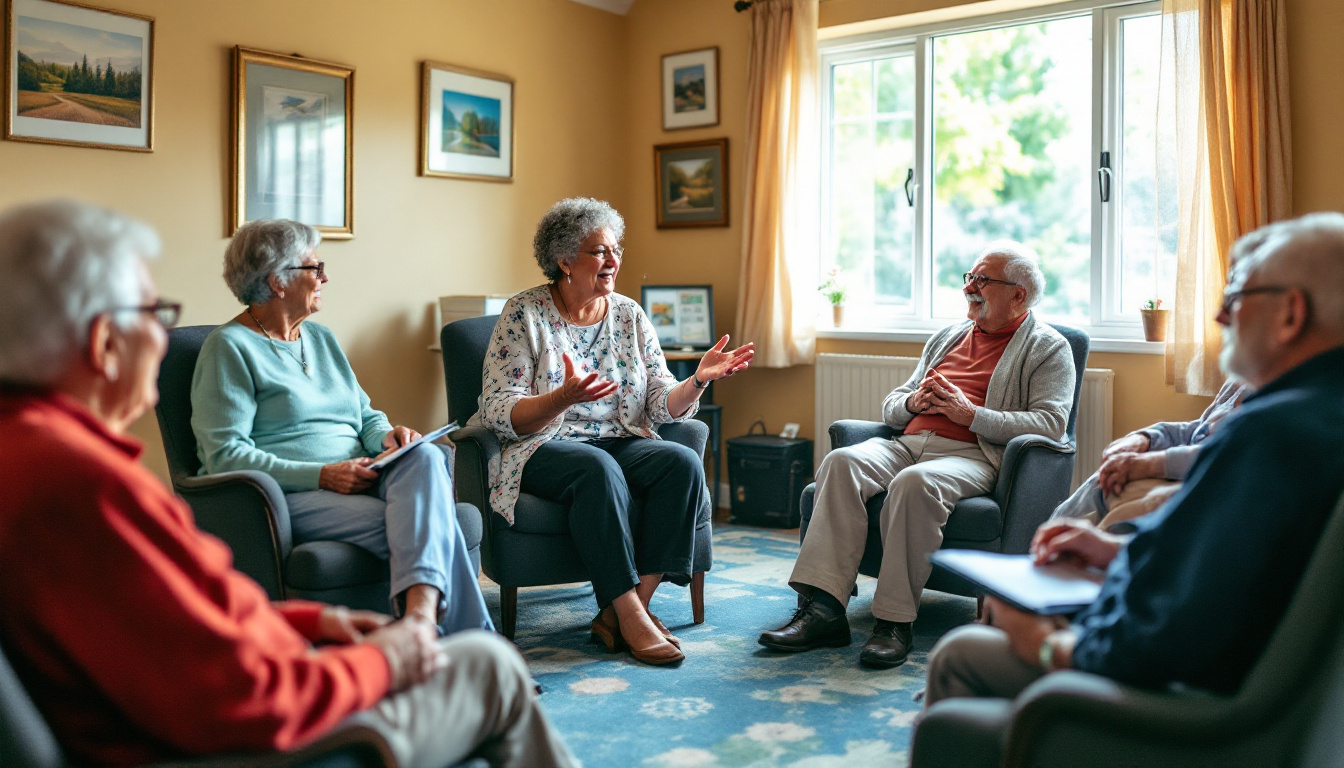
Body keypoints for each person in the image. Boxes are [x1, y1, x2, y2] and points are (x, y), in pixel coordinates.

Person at [0, 200, 576, 768]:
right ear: (105, 343)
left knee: (424, 462)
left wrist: (315, 620)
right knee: (486, 661)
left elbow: (186, 621)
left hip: (258, 665)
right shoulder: (89, 485)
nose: (161, 337)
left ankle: (425, 627)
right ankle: (441, 633)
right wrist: (382, 663)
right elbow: (249, 696)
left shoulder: (38, 457)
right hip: (253, 715)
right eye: (155, 315)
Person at [923, 213, 1344, 715]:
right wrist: (1115, 554)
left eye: (1235, 297)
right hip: (1232, 674)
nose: (1220, 318)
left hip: (1179, 707)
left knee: (958, 652)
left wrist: (1041, 640)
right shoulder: (1314, 412)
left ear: (1291, 314)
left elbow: (1148, 644)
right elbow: (1225, 567)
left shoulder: (1270, 436)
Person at [760, 241, 1075, 669]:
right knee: (841, 462)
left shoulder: (1048, 348)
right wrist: (913, 405)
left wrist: (972, 414)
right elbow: (893, 403)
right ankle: (824, 611)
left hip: (971, 454)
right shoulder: (947, 337)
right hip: (908, 444)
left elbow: (1050, 424)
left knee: (914, 484)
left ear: (1019, 294)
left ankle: (893, 622)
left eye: (983, 279)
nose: (970, 287)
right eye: (970, 277)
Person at [474, 197, 753, 666]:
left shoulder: (628, 315)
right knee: (597, 469)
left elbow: (661, 403)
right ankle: (631, 614)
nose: (614, 260)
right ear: (564, 260)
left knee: (680, 462)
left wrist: (697, 380)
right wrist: (559, 398)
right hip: (544, 445)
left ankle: (627, 611)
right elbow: (499, 409)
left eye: (616, 249)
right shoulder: (524, 314)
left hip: (621, 437)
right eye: (599, 251)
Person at [191, 218, 491, 634]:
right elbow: (224, 455)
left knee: (424, 454)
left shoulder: (321, 339)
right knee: (428, 524)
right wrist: (322, 475)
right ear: (278, 281)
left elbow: (363, 414)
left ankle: (420, 627)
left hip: (365, 471)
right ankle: (459, 645)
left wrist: (388, 436)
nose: (324, 277)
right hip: (291, 493)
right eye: (315, 268)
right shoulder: (228, 348)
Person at [1050, 378, 1251, 528]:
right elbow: (1197, 430)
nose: (1221, 319)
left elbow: (1233, 453)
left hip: (1207, 487)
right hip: (1182, 476)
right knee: (1106, 475)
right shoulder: (1242, 377)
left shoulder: (1275, 393)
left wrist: (1150, 463)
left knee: (1112, 492)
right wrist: (1144, 439)